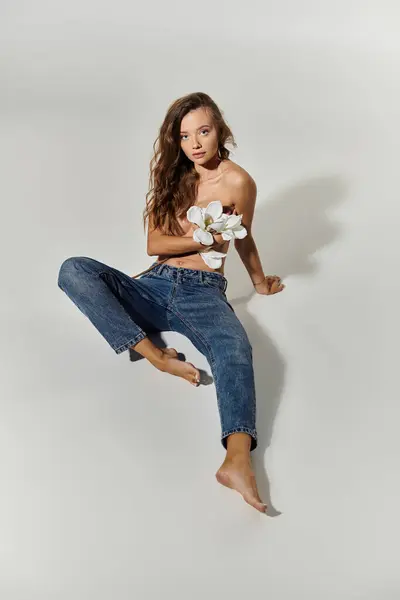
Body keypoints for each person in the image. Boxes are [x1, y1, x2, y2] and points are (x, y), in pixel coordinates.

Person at [57, 92, 285, 514]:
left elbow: (243, 236)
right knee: (74, 269)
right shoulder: (173, 179)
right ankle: (155, 355)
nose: (195, 143)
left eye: (203, 130)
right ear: (176, 141)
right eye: (185, 135)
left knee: (234, 348)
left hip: (203, 291)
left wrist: (259, 281)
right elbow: (153, 244)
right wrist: (199, 238)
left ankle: (237, 459)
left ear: (220, 131)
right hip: (156, 284)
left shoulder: (239, 182)